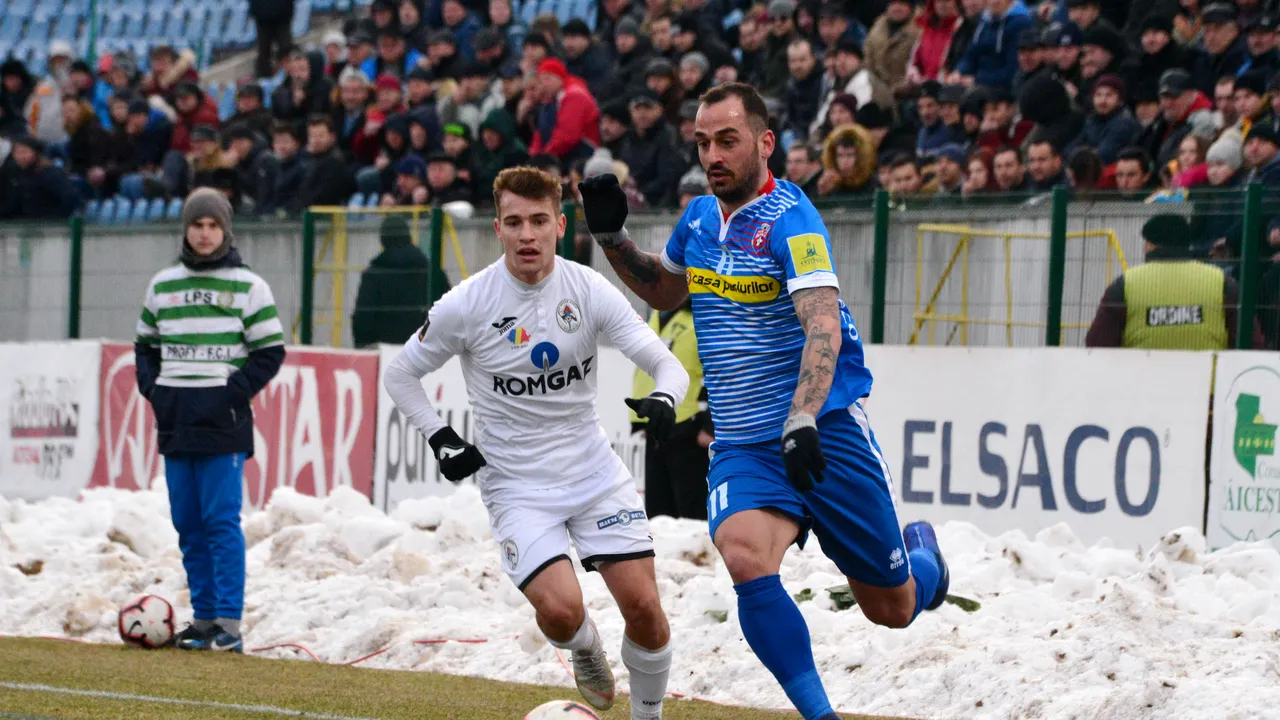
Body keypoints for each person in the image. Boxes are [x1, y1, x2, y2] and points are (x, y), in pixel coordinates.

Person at [577, 82, 950, 720]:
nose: (713, 154)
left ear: (764, 142)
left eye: (727, 140)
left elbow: (823, 325)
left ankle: (926, 563)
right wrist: (613, 238)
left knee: (891, 608)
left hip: (824, 431)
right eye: (702, 143)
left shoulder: (792, 221)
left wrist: (803, 416)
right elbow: (666, 291)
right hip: (746, 442)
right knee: (744, 553)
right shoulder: (697, 217)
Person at [382, 166, 690, 719]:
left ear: (560, 225)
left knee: (645, 607)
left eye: (539, 221)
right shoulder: (466, 305)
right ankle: (583, 649)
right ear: (497, 229)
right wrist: (442, 437)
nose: (528, 234)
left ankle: (649, 718)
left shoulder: (589, 289)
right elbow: (401, 374)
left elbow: (665, 363)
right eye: (515, 222)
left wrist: (665, 400)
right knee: (560, 610)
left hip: (594, 475)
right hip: (517, 486)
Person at [133, 188, 286, 652]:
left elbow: (270, 352)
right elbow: (144, 347)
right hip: (176, 419)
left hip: (223, 423)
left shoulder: (249, 285)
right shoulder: (162, 285)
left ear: (225, 230)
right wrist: (155, 391)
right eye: (197, 225)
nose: (204, 233)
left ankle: (229, 624)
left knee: (221, 523)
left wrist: (230, 393)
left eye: (212, 225)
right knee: (188, 523)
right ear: (186, 229)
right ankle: (202, 620)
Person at [1085, 214, 1261, 349]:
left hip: (1142, 386)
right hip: (1207, 386)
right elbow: (1250, 342)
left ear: (1150, 245)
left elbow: (1098, 343)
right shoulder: (1221, 282)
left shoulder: (1126, 284)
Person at [631, 297, 711, 521]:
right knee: (658, 518)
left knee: (693, 515)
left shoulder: (703, 315)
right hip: (659, 425)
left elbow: (718, 372)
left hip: (691, 430)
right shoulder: (658, 313)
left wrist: (710, 425)